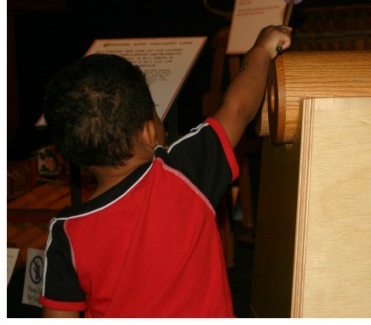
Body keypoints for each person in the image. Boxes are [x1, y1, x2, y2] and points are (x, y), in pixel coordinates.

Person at [39, 25, 292, 318]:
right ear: (149, 132)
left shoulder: (66, 232)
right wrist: (261, 50)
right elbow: (238, 108)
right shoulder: (183, 173)